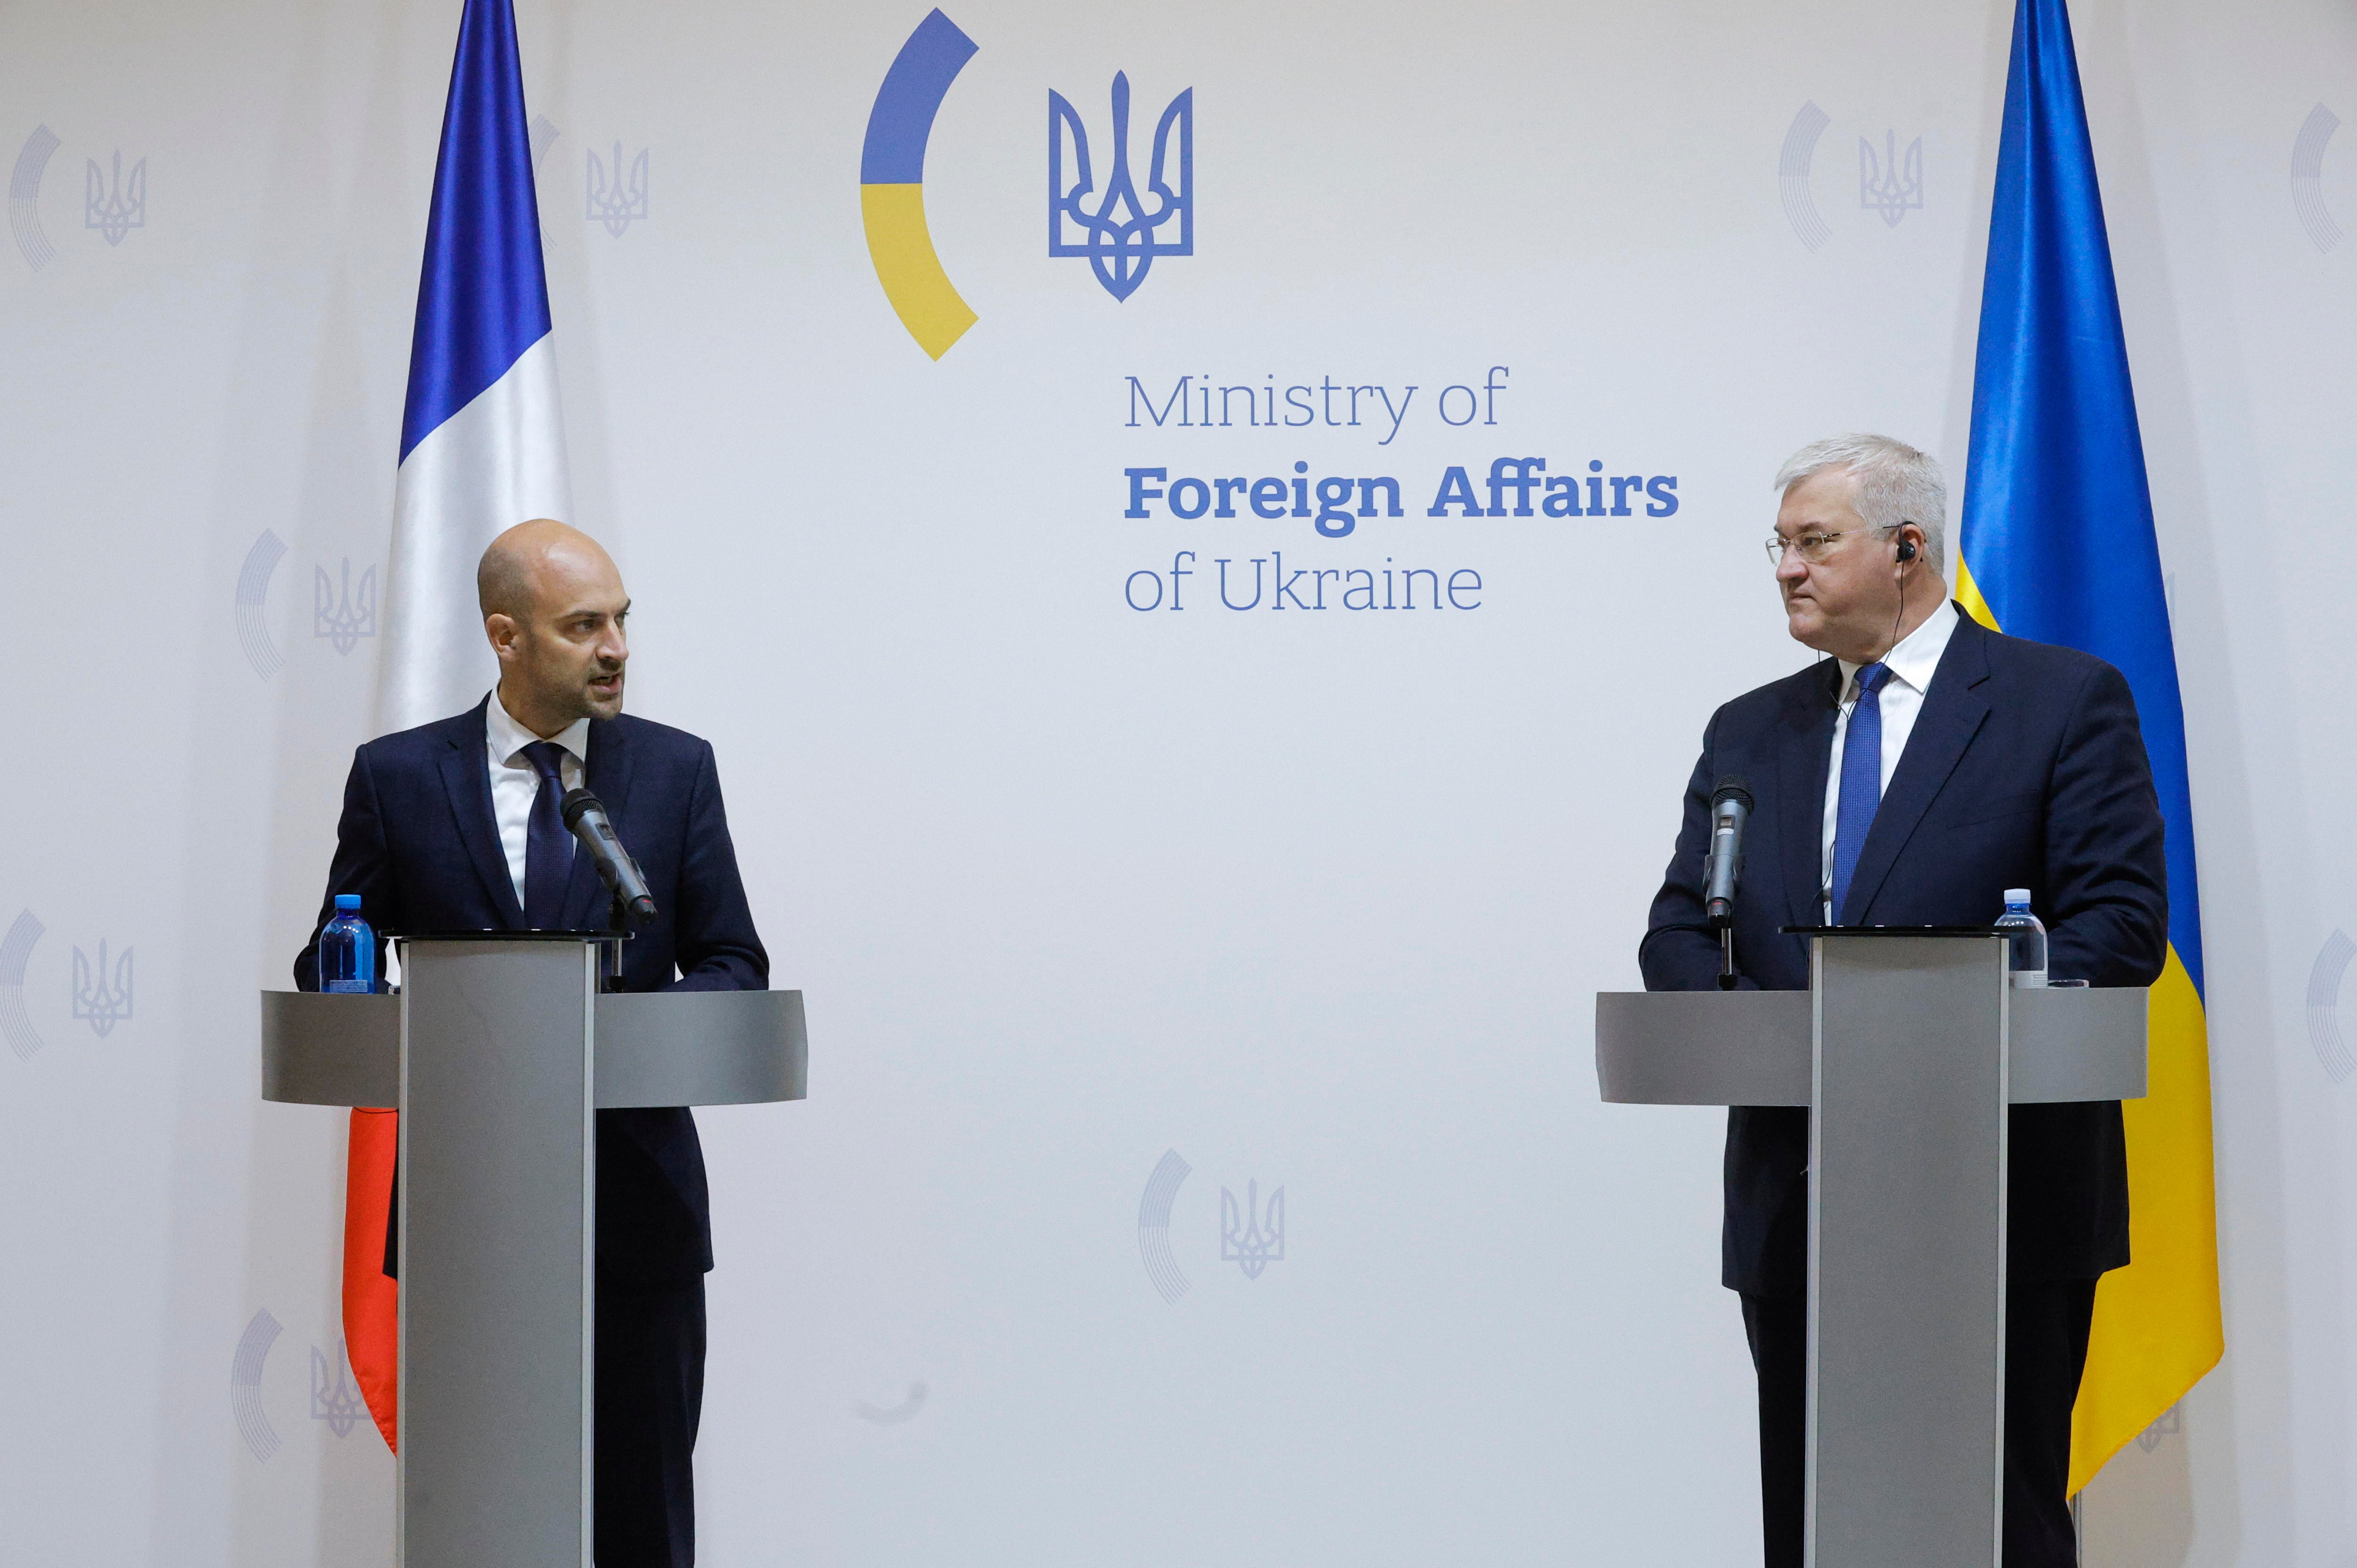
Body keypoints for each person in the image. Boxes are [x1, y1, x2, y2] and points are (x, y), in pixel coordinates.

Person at [1639, 434, 2167, 1567]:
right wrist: (1743, 1029)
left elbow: (2120, 930)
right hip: (1803, 1196)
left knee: (2000, 1517)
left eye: (1814, 541)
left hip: (2002, 1194)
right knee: (1815, 1515)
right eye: (1777, 544)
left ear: (1908, 547)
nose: (1785, 567)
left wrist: (1942, 1032)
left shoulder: (2058, 701)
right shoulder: (1750, 728)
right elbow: (1681, 927)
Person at [294, 518, 766, 1568]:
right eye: (584, 625)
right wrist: (365, 978)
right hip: (470, 1226)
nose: (616, 648)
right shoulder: (398, 778)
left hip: (636, 1215)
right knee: (474, 1520)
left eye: (622, 621)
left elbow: (734, 960)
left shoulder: (675, 771)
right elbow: (332, 958)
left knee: (641, 1523)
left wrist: (616, 1033)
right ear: (506, 637)